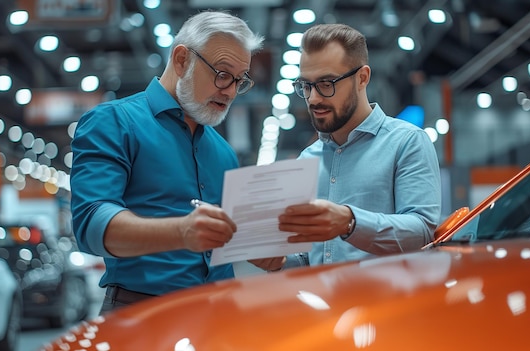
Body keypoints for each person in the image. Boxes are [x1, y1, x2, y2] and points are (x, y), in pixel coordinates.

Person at [70, 10, 264, 313]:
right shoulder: (114, 123)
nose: (230, 91)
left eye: (240, 81)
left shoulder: (224, 152)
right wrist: (180, 232)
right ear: (182, 59)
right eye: (223, 74)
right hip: (141, 315)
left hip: (219, 313)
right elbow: (92, 223)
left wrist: (262, 249)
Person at [251, 23, 441, 272]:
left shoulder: (407, 142)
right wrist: (280, 262)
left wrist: (349, 223)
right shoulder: (306, 160)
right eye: (306, 86)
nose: (314, 98)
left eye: (327, 83)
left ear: (362, 78)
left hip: (387, 306)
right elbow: (310, 257)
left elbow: (422, 234)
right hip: (322, 306)